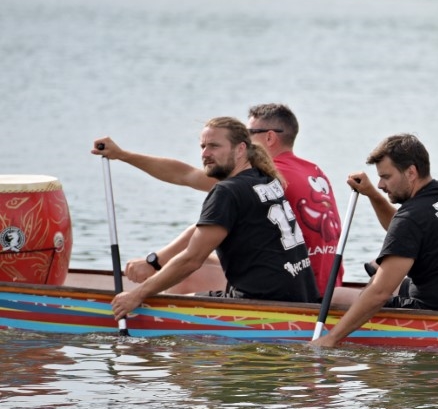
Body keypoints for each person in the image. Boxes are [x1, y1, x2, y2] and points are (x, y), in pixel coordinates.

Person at [90, 103, 343, 294]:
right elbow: (188, 177)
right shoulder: (312, 170)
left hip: (300, 284)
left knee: (185, 269)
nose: (244, 139)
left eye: (248, 132)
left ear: (269, 137)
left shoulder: (266, 176)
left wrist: (155, 262)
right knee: (199, 255)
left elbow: (186, 178)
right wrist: (123, 155)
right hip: (321, 277)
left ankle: (159, 325)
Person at [107, 117, 318, 320]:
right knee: (178, 281)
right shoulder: (265, 178)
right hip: (300, 298)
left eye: (214, 146)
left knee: (163, 302)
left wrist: (136, 295)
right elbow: (184, 174)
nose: (205, 154)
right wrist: (122, 155)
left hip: (261, 304)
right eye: (203, 146)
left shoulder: (227, 191)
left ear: (241, 149)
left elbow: (191, 260)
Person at [313, 134, 438, 348]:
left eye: (386, 177)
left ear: (411, 172)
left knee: (335, 296)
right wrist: (372, 195)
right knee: (377, 279)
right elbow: (403, 233)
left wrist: (331, 339)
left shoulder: (411, 219)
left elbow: (379, 294)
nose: (380, 184)